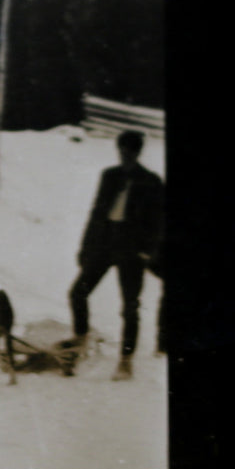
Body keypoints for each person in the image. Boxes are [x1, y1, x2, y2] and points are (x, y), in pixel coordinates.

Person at [68, 129, 164, 380]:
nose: (123, 156)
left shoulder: (151, 181)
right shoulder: (109, 176)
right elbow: (96, 213)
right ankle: (81, 339)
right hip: (104, 243)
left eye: (128, 152)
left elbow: (159, 222)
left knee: (130, 307)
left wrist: (148, 252)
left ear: (137, 152)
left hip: (132, 250)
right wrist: (85, 247)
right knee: (78, 292)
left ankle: (125, 362)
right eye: (120, 151)